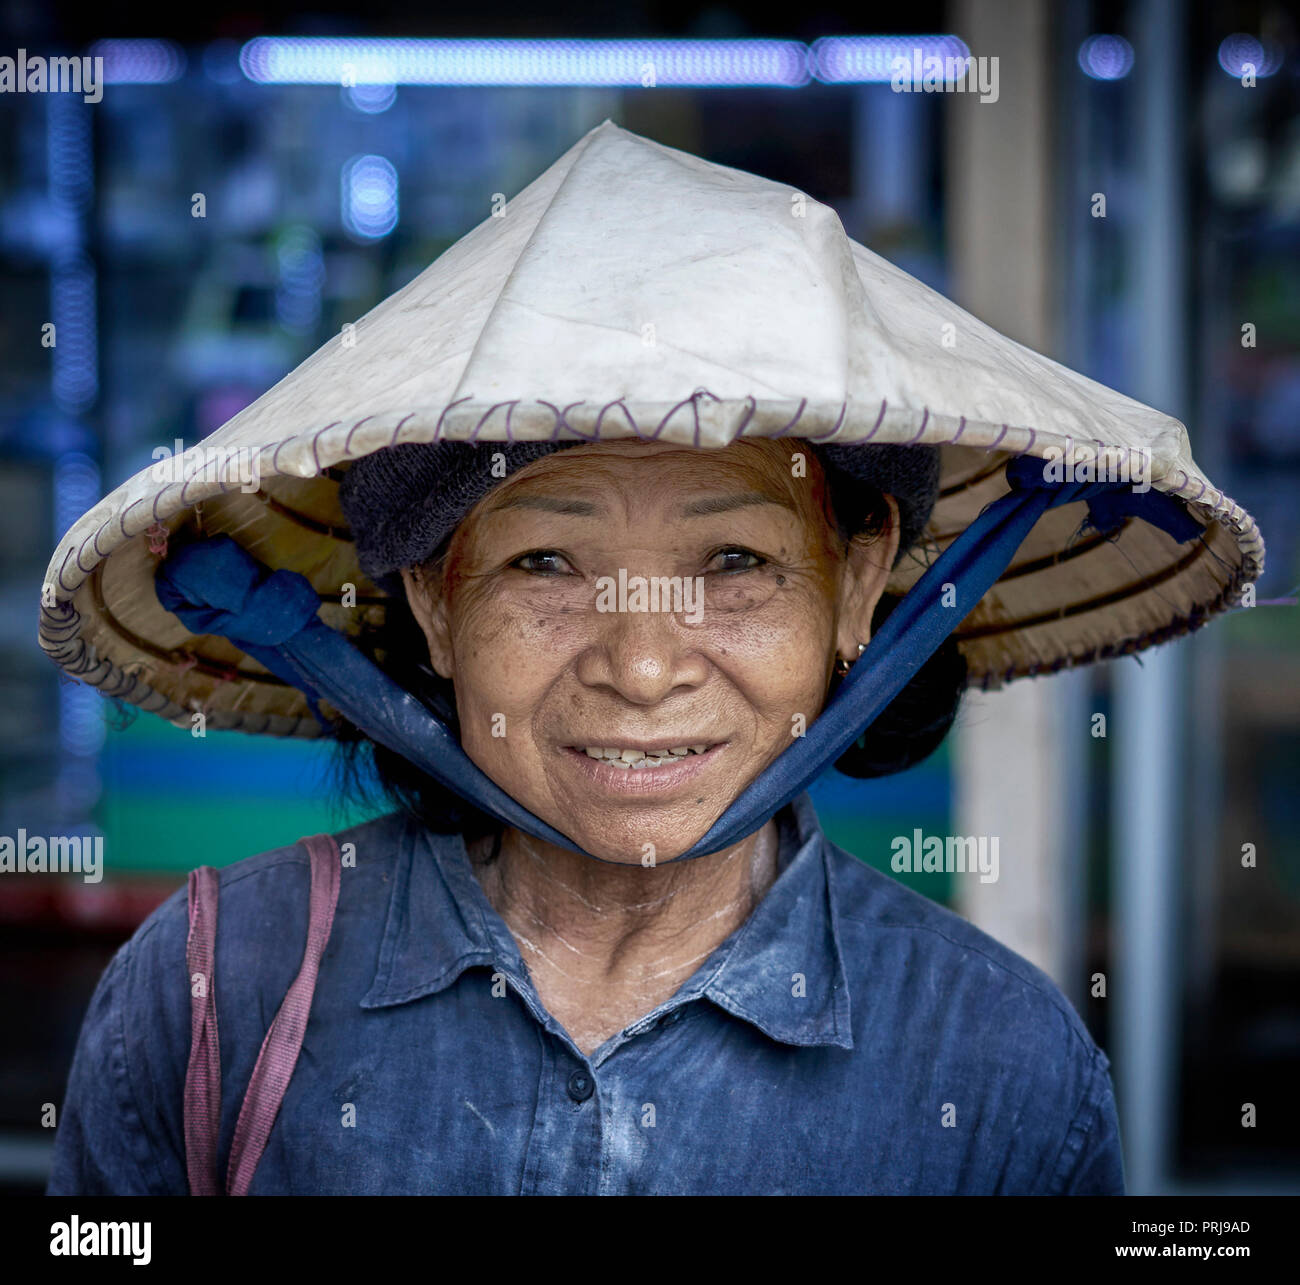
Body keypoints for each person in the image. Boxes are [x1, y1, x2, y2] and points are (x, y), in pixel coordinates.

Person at [42, 122, 1262, 1195]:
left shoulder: (998, 1063)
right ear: (429, 601)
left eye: (734, 563)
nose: (639, 667)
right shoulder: (209, 994)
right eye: (544, 565)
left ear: (852, 587)